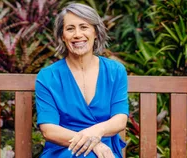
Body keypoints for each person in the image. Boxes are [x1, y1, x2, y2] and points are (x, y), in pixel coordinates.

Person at [35, 3, 129, 158]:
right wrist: (93, 144)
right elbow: (49, 129)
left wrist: (96, 133)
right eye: (70, 29)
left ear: (96, 32)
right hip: (63, 149)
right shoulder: (47, 76)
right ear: (62, 36)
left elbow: (119, 120)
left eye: (84, 27)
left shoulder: (115, 71)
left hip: (105, 150)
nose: (77, 34)